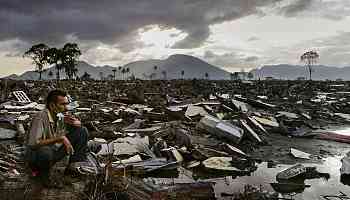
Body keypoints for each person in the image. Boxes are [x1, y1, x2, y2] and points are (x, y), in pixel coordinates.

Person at [26, 89, 89, 186]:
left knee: (82, 131)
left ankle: (73, 168)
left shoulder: (59, 116)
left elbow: (76, 129)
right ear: (52, 105)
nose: (66, 107)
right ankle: (43, 176)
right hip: (36, 157)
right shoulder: (40, 117)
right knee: (45, 151)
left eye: (67, 104)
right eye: (63, 104)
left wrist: (77, 123)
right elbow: (34, 143)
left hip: (53, 151)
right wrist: (61, 138)